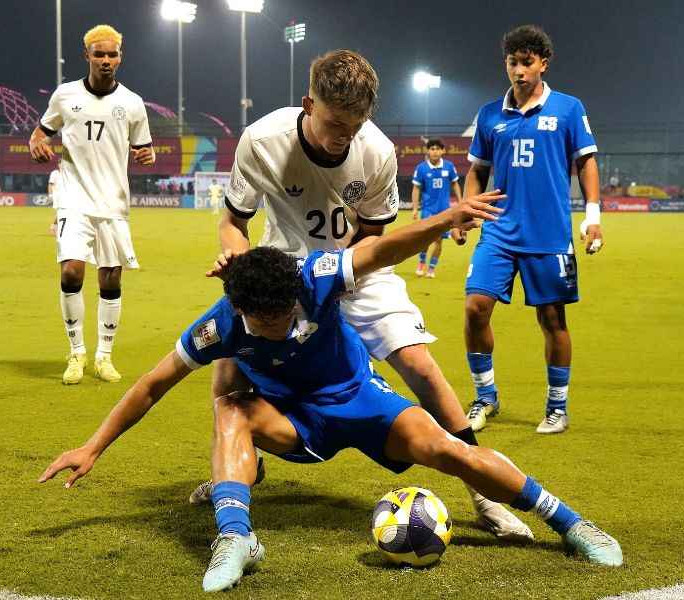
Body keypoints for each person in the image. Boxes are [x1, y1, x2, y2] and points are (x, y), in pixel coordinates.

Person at [38, 197, 623, 593]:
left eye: (283, 313)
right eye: (262, 320)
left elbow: (384, 251)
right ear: (240, 308)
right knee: (230, 406)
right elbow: (151, 386)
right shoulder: (222, 323)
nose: (276, 323)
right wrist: (93, 447)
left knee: (452, 452)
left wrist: (447, 218)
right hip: (295, 422)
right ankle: (237, 538)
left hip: (363, 401)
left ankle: (571, 524)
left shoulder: (315, 277)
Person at [204, 49, 532, 540]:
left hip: (356, 268)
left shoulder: (376, 150)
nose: (343, 137)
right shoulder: (262, 140)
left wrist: (333, 277)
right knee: (227, 369)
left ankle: (481, 493)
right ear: (307, 103)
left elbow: (376, 238)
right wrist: (240, 262)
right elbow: (234, 222)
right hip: (282, 272)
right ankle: (234, 471)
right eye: (334, 123)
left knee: (420, 365)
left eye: (354, 126)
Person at [459, 25, 604, 434]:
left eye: (527, 62)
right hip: (499, 232)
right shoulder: (489, 115)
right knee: (474, 309)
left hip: (549, 234)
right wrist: (467, 210)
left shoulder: (568, 108)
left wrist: (592, 216)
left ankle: (557, 406)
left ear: (543, 63)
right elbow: (477, 171)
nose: (519, 70)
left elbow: (587, 162)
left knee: (552, 319)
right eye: (512, 62)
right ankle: (486, 396)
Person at [28, 24, 155, 385]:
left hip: (112, 202)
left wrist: (147, 155)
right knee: (71, 270)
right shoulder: (65, 96)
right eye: (98, 54)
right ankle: (76, 353)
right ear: (87, 56)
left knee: (110, 279)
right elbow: (41, 132)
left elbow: (143, 147)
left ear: (120, 56)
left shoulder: (132, 103)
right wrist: (35, 144)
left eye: (111, 54)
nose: (105, 60)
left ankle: (104, 355)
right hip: (73, 197)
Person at [411, 138, 462, 278]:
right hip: (428, 210)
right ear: (428, 151)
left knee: (439, 240)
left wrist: (460, 201)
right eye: (432, 149)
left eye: (438, 149)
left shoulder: (449, 166)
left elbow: (455, 184)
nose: (435, 151)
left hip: (445, 210)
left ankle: (431, 268)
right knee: (425, 239)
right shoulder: (421, 168)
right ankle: (422, 262)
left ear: (443, 151)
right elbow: (416, 188)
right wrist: (415, 208)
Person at [48, 162, 61, 235]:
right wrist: (50, 195)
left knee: (60, 212)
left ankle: (53, 227)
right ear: (58, 165)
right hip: (56, 196)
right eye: (60, 164)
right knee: (60, 212)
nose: (61, 165)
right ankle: (54, 227)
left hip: (65, 196)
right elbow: (50, 184)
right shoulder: (54, 173)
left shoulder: (67, 173)